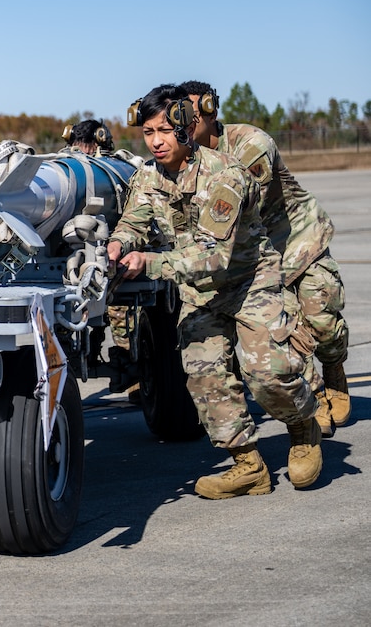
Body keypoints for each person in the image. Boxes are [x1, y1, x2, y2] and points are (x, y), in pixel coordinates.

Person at [107, 84, 320, 499]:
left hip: (247, 282)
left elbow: (212, 257)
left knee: (267, 373)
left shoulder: (225, 174)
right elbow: (133, 222)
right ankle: (248, 465)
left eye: (165, 131)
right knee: (205, 376)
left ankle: (303, 429)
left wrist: (147, 263)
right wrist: (120, 244)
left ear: (187, 127)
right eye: (148, 132)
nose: (156, 141)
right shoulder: (148, 176)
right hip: (200, 292)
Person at [179, 80, 350, 436]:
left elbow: (238, 207)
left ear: (211, 110)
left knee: (322, 322)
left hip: (298, 239)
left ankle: (334, 367)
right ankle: (313, 397)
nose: (186, 122)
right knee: (282, 333)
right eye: (179, 116)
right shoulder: (187, 157)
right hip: (257, 255)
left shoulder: (250, 145)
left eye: (192, 113)